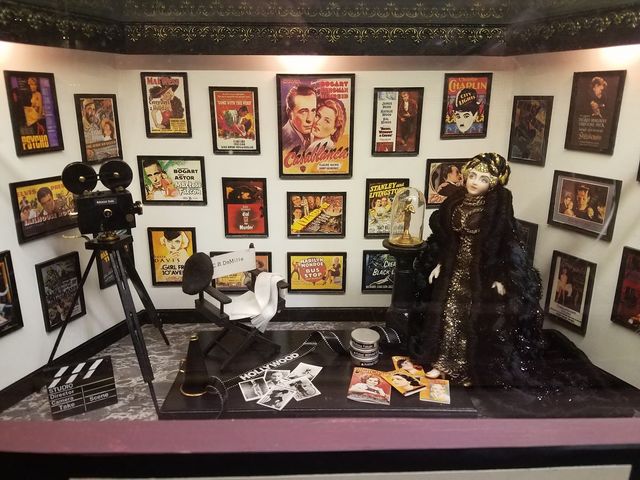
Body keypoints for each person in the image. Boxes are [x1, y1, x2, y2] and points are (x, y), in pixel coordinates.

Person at [411, 153, 542, 387]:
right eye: (472, 175)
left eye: (483, 179)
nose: (474, 182)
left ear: (493, 183)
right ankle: (442, 363)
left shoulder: (497, 209)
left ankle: (466, 369)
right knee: (448, 314)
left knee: (470, 319)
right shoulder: (455, 202)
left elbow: (505, 243)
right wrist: (439, 264)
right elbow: (445, 240)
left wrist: (502, 277)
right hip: (454, 270)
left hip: (480, 274)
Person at [281, 84, 317, 152]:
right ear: (289, 113)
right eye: (303, 111)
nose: (310, 119)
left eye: (313, 110)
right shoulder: (283, 140)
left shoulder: (316, 136)